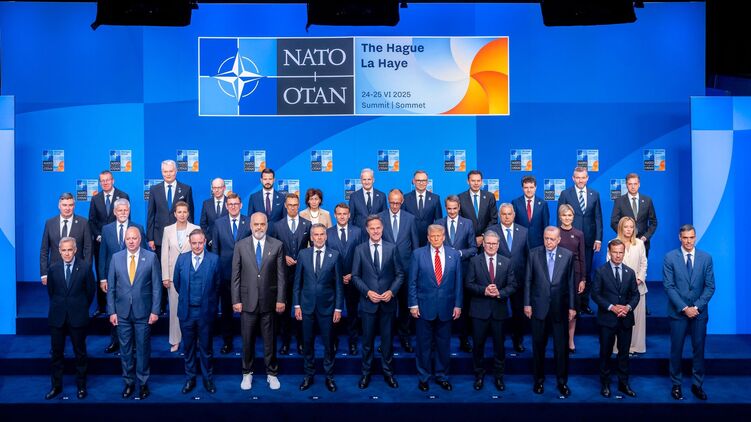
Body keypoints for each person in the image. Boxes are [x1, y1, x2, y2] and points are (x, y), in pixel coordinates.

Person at [231, 212, 286, 391]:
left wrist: (281, 299)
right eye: (256, 224)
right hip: (247, 302)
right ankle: (247, 373)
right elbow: (235, 276)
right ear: (250, 225)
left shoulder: (277, 245)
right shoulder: (240, 245)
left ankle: (272, 373)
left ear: (267, 226)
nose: (259, 227)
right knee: (247, 341)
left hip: (269, 301)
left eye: (262, 224)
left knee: (270, 341)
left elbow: (281, 276)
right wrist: (236, 300)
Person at [107, 227, 161, 400]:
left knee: (143, 349)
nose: (131, 241)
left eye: (134, 238)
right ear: (125, 240)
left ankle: (143, 383)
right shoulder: (116, 258)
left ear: (140, 239)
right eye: (128, 238)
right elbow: (111, 288)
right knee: (125, 350)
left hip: (143, 312)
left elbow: (156, 287)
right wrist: (111, 311)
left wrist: (155, 310)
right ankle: (129, 383)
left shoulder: (151, 257)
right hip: (122, 313)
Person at [352, 215, 404, 390]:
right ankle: (366, 374)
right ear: (367, 230)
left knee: (387, 342)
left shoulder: (392, 248)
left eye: (378, 228)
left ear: (382, 229)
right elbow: (355, 276)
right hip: (368, 304)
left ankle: (388, 373)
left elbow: (400, 274)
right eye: (372, 228)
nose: (375, 231)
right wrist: (367, 292)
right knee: (367, 342)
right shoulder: (359, 249)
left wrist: (391, 291)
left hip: (387, 304)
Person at [664, 224, 715, 401]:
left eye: (691, 237)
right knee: (676, 349)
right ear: (680, 238)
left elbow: (710, 287)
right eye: (685, 238)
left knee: (699, 349)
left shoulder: (706, 258)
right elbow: (669, 286)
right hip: (678, 312)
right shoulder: (670, 257)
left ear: (695, 237)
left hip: (699, 313)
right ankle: (676, 384)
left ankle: (697, 385)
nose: (688, 241)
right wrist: (685, 308)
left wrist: (697, 307)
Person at [409, 224, 462, 392]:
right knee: (423, 346)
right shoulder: (418, 254)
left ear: (444, 237)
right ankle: (423, 377)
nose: (436, 238)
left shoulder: (454, 254)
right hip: (423, 307)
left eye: (439, 235)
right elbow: (412, 282)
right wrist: (413, 304)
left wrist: (458, 305)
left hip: (446, 307)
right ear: (428, 237)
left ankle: (442, 376)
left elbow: (458, 283)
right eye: (433, 236)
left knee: (443, 345)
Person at [525, 226, 576, 397]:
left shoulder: (567, 256)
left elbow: (570, 283)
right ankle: (538, 381)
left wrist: (572, 307)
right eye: (546, 238)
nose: (548, 242)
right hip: (538, 308)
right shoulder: (533, 254)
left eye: (552, 239)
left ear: (559, 240)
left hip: (560, 309)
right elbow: (528, 280)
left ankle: (562, 382)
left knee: (561, 349)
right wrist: (527, 304)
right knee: (538, 347)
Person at [293, 224, 344, 392]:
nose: (319, 237)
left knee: (329, 344)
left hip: (328, 307)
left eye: (322, 234)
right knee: (307, 343)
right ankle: (309, 375)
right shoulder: (303, 254)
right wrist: (297, 305)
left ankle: (329, 377)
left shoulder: (334, 255)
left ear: (326, 236)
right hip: (306, 307)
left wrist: (338, 308)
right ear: (311, 237)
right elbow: (297, 283)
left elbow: (339, 285)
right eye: (316, 235)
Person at [44, 237, 96, 400]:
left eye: (70, 250)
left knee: (80, 353)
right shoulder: (53, 269)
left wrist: (80, 307)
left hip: (78, 316)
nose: (67, 253)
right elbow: (52, 292)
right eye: (64, 250)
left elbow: (90, 292)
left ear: (75, 250)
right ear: (59, 251)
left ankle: (81, 387)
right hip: (57, 317)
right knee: (57, 354)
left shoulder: (85, 267)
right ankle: (56, 386)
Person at [466, 230, 516, 391]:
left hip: (499, 311)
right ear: (483, 244)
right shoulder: (474, 261)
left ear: (498, 245)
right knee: (478, 346)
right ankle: (479, 375)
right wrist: (484, 291)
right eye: (488, 243)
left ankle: (498, 377)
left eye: (494, 243)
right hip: (479, 311)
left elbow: (513, 285)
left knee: (499, 347)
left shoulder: (507, 262)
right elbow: (469, 284)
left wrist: (499, 293)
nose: (491, 246)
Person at [172, 229, 221, 394]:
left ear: (205, 241)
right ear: (190, 243)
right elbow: (177, 283)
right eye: (194, 243)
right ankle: (190, 379)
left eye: (200, 243)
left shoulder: (214, 260)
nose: (197, 246)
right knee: (188, 348)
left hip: (205, 313)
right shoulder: (182, 259)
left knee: (206, 348)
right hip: (186, 313)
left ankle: (208, 379)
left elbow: (217, 286)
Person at [98, 198, 146, 354]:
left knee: (132, 309)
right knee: (114, 309)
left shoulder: (138, 228)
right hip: (113, 277)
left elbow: (145, 253)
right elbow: (103, 255)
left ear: (129, 211)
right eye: (120, 210)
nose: (123, 213)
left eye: (125, 210)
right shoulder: (106, 229)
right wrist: (103, 278)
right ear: (114, 212)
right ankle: (115, 341)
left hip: (133, 277)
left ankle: (134, 343)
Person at [592, 239, 639, 398]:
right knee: (605, 353)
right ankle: (605, 383)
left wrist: (627, 307)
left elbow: (635, 295)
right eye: (615, 252)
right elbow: (595, 294)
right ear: (609, 252)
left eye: (621, 252)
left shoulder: (630, 272)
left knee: (624, 354)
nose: (618, 255)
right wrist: (612, 307)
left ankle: (623, 383)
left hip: (625, 319)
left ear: (624, 253)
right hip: (607, 320)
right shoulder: (600, 271)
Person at [147, 159, 195, 314]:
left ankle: (184, 302)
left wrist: (192, 237)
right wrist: (150, 238)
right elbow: (151, 214)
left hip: (181, 238)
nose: (168, 174)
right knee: (162, 271)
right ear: (162, 172)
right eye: (165, 171)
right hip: (159, 237)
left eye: (171, 171)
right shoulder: (154, 189)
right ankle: (161, 306)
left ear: (176, 171)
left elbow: (190, 214)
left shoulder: (186, 189)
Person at [434, 195, 477, 353]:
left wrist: (458, 253)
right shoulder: (438, 223)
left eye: (454, 208)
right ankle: (437, 341)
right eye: (449, 208)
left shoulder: (468, 224)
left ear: (459, 207)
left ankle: (464, 339)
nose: (452, 211)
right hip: (441, 273)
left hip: (462, 272)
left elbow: (473, 248)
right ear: (445, 208)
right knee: (440, 305)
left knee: (462, 307)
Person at [379, 188, 420, 353]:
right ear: (388, 201)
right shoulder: (380, 218)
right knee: (387, 309)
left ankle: (404, 337)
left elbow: (415, 246)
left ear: (402, 202)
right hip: (386, 271)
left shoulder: (410, 219)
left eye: (397, 203)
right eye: (392, 202)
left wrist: (415, 270)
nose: (394, 206)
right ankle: (385, 340)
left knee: (404, 307)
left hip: (406, 271)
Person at [557, 167, 602, 314]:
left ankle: (583, 304)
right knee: (565, 272)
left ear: (587, 178)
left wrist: (598, 239)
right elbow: (559, 217)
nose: (580, 180)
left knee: (585, 272)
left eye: (583, 177)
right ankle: (568, 303)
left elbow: (598, 217)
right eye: (577, 177)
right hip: (567, 240)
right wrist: (558, 238)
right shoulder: (565, 194)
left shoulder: (595, 194)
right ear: (573, 178)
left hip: (588, 240)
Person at [210, 192, 251, 354]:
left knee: (247, 311)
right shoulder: (218, 223)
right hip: (225, 274)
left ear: (241, 205)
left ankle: (248, 343)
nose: (233, 206)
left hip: (247, 274)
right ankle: (227, 342)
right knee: (226, 311)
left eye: (236, 204)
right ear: (226, 206)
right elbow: (215, 250)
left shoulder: (249, 221)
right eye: (230, 204)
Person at [273, 193, 311, 355]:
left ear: (299, 205)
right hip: (283, 274)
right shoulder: (277, 226)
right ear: (285, 206)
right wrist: (283, 257)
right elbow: (272, 249)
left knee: (301, 310)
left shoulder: (307, 224)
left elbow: (312, 249)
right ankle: (285, 343)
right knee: (284, 311)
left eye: (295, 205)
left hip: (303, 275)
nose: (293, 208)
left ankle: (301, 342)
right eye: (290, 205)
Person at [326, 203, 365, 355]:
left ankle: (353, 342)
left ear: (349, 215)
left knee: (353, 312)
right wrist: (337, 276)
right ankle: (333, 341)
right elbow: (326, 257)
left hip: (352, 279)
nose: (342, 216)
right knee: (333, 312)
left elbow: (362, 254)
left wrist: (353, 274)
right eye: (339, 214)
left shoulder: (358, 231)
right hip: (333, 280)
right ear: (335, 215)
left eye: (345, 214)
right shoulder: (328, 232)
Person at [88, 170, 129, 315]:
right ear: (100, 183)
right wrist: (99, 235)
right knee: (102, 272)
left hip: (119, 242)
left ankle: (122, 303)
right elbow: (91, 221)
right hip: (100, 242)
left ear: (113, 181)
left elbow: (127, 218)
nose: (105, 183)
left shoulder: (123, 196)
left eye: (108, 180)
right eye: (103, 181)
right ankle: (102, 306)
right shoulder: (95, 199)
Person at [161, 201, 200, 352]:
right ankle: (175, 340)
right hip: (173, 278)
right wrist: (165, 276)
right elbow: (164, 254)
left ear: (188, 213)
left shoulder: (196, 229)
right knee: (174, 310)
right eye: (179, 212)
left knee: (193, 310)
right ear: (175, 214)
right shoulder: (167, 230)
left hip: (192, 276)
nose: (182, 215)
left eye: (185, 212)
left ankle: (195, 340)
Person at [492, 203, 529, 354]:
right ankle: (499, 340)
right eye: (504, 214)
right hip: (499, 280)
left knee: (518, 313)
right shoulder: (492, 231)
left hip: (519, 280)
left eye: (509, 214)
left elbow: (528, 256)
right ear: (499, 215)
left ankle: (518, 339)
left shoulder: (524, 231)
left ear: (514, 215)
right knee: (499, 313)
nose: (507, 217)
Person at [613, 216, 648, 354]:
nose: (629, 229)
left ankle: (635, 347)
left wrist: (639, 279)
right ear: (621, 228)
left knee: (637, 320)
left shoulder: (639, 243)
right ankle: (619, 348)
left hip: (637, 287)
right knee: (621, 319)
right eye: (626, 227)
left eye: (631, 227)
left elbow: (644, 263)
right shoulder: (613, 243)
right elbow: (610, 265)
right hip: (619, 289)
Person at [40, 192, 92, 285]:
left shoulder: (84, 223)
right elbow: (44, 250)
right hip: (54, 271)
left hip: (77, 272)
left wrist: (86, 271)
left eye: (70, 205)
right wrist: (44, 273)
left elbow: (88, 250)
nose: (67, 208)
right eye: (64, 205)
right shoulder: (50, 223)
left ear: (74, 206)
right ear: (59, 206)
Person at [557, 204, 586, 353]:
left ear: (573, 217)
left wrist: (583, 279)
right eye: (564, 215)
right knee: (559, 308)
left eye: (570, 215)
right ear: (560, 217)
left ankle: (570, 340)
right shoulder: (555, 233)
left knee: (572, 308)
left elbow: (582, 258)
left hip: (575, 275)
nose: (567, 218)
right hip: (558, 275)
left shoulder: (579, 234)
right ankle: (560, 339)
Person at [610, 173, 658, 256]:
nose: (633, 187)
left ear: (639, 184)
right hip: (625, 244)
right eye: (630, 184)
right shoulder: (619, 201)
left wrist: (645, 237)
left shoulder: (647, 200)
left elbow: (653, 222)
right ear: (626, 185)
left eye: (635, 184)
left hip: (643, 243)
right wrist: (624, 236)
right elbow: (614, 222)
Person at [458, 169, 498, 248]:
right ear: (468, 181)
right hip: (467, 241)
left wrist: (483, 236)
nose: (476, 183)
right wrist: (472, 238)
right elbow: (459, 221)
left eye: (478, 181)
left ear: (481, 182)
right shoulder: (460, 198)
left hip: (486, 241)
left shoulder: (490, 197)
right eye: (473, 181)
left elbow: (494, 219)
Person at [403, 169, 443, 247]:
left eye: (424, 180)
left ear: (427, 182)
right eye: (418, 180)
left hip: (430, 240)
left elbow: (439, 221)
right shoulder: (406, 198)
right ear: (413, 181)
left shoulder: (435, 198)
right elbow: (403, 220)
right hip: (410, 239)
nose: (421, 183)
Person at [512, 175, 549, 250]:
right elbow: (513, 224)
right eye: (526, 187)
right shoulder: (515, 203)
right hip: (520, 243)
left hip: (538, 244)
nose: (529, 190)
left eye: (531, 187)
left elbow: (546, 225)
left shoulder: (543, 204)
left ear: (535, 187)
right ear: (522, 188)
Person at [247, 168, 286, 237]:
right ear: (261, 180)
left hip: (278, 237)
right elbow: (250, 219)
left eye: (270, 179)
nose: (267, 181)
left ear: (274, 180)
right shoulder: (254, 197)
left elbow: (284, 219)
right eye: (265, 179)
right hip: (259, 235)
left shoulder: (282, 198)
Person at [199, 177, 228, 250]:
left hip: (228, 244)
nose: (216, 190)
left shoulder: (230, 202)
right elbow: (203, 224)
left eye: (219, 187)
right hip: (211, 245)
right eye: (214, 188)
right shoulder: (206, 203)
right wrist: (209, 239)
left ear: (224, 188)